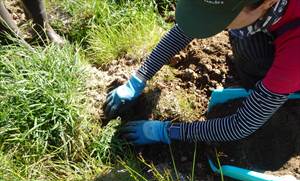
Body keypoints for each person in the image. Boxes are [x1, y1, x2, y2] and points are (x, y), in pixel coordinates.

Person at [103, 0, 300, 145]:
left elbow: (241, 125)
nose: (211, 24)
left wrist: (167, 131)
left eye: (222, 19)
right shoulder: (252, 10)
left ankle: (285, 90)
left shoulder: (295, 56)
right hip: (274, 25)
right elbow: (187, 28)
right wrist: (139, 78)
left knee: (256, 62)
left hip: (293, 54)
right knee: (243, 36)